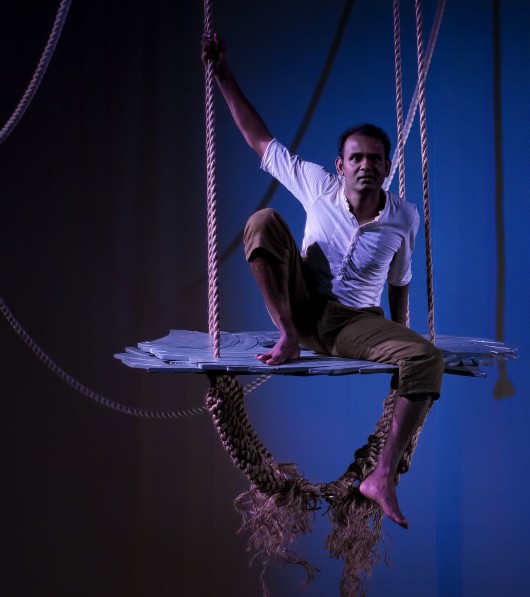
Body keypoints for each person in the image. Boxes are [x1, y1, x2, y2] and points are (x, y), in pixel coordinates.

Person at [202, 33, 443, 529]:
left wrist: (400, 341)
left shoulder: (404, 217)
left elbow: (400, 282)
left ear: (388, 167)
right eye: (356, 158)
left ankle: (381, 476)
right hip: (302, 305)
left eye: (375, 159)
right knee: (263, 220)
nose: (365, 166)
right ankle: (289, 334)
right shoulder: (316, 184)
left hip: (351, 323)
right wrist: (223, 76)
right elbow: (259, 140)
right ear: (340, 166)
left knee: (425, 357)